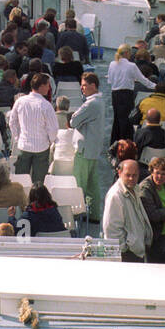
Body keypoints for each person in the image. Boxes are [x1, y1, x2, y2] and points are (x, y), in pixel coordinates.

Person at [67, 72, 109, 219]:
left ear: (93, 85)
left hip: (84, 150)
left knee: (80, 184)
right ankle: (94, 214)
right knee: (92, 185)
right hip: (93, 149)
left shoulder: (91, 103)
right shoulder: (100, 102)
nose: (82, 88)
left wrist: (74, 118)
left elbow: (73, 121)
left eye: (84, 85)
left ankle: (77, 215)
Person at [8, 73, 57, 185]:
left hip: (24, 146)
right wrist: (49, 141)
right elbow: (53, 129)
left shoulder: (20, 101)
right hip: (41, 147)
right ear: (41, 86)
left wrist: (17, 137)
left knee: (21, 181)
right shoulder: (46, 105)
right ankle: (37, 201)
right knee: (39, 182)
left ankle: (21, 201)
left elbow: (12, 122)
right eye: (47, 85)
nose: (49, 88)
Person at [103, 159, 154, 262]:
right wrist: (125, 249)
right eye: (127, 175)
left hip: (136, 251)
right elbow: (111, 230)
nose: (131, 178)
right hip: (126, 255)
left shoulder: (135, 188)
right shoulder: (115, 196)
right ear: (119, 173)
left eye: (134, 175)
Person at [108, 44, 155, 144]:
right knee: (126, 119)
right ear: (126, 53)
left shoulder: (112, 64)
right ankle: (125, 143)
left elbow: (110, 80)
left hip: (115, 94)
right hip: (126, 94)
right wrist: (156, 86)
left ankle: (115, 142)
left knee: (117, 119)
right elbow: (143, 80)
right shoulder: (131, 66)